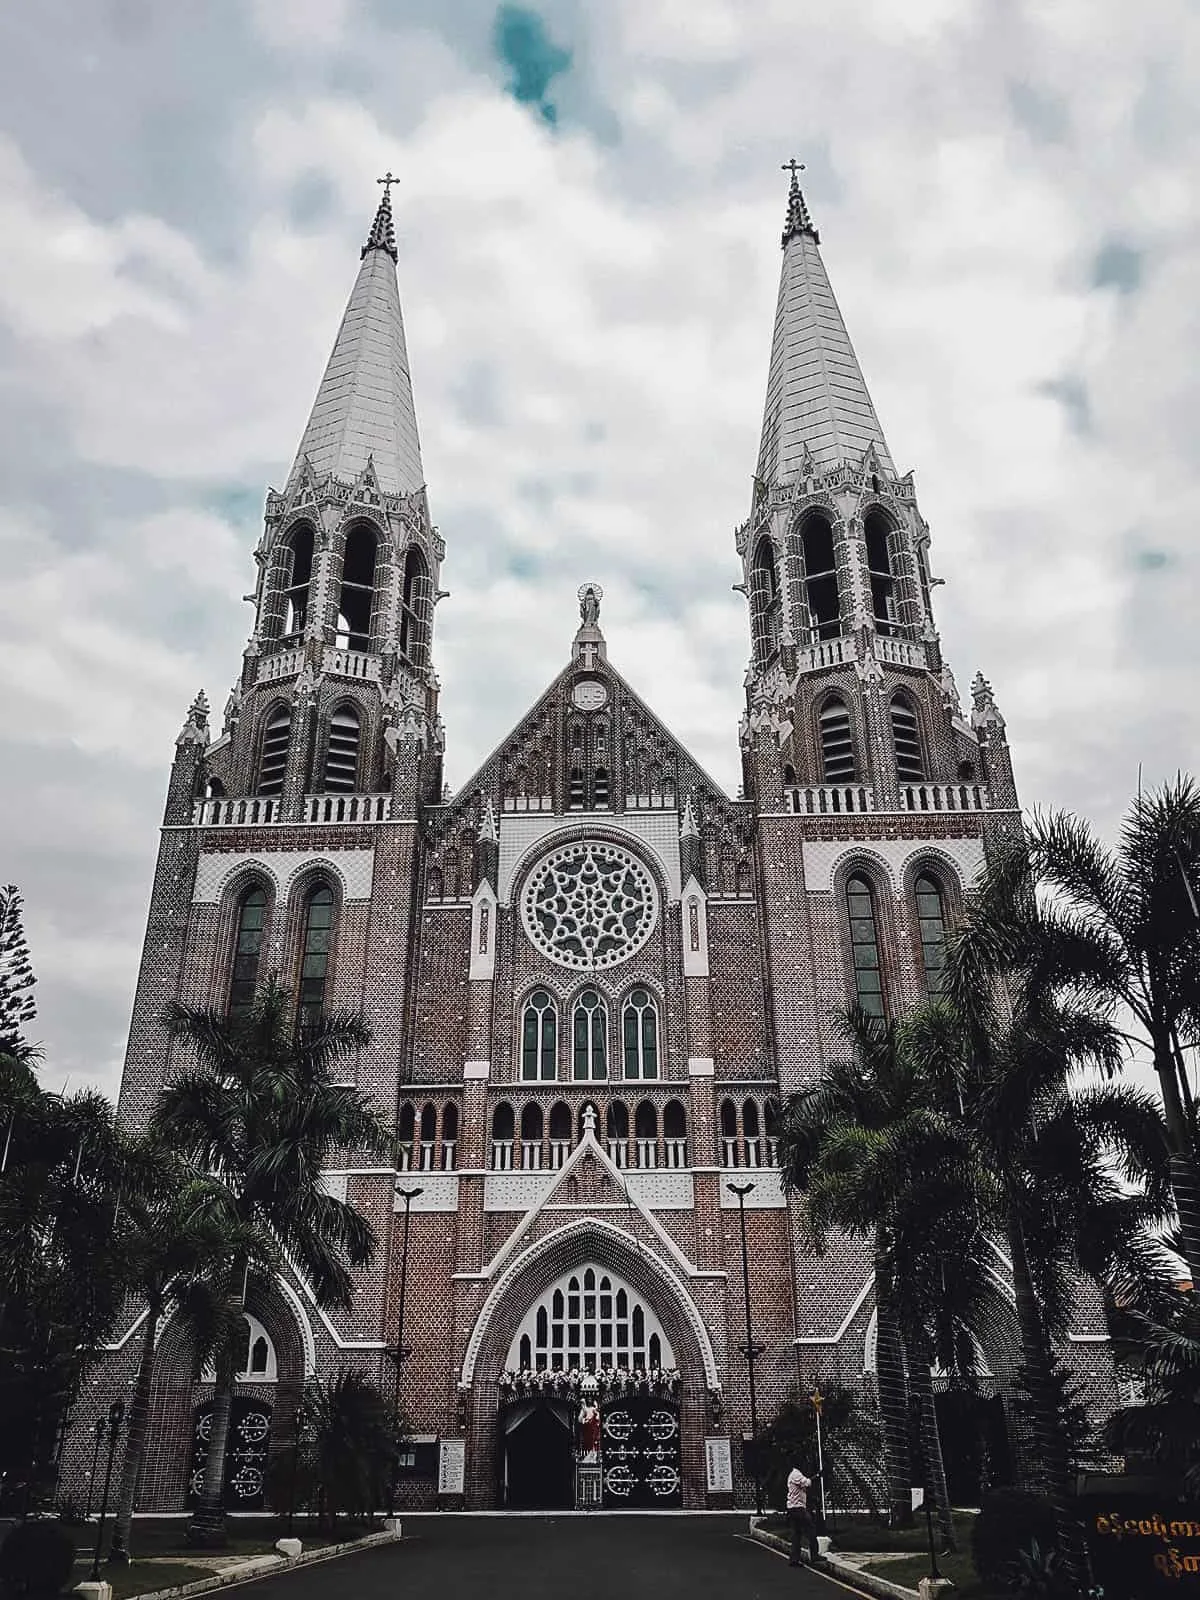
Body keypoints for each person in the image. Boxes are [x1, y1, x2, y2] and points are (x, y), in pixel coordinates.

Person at [786, 1459, 821, 1566]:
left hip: (792, 1508)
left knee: (796, 1534)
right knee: (811, 1530)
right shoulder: (796, 1474)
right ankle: (814, 1555)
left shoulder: (794, 1474)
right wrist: (818, 1476)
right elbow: (807, 1483)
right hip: (798, 1508)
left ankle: (794, 1559)